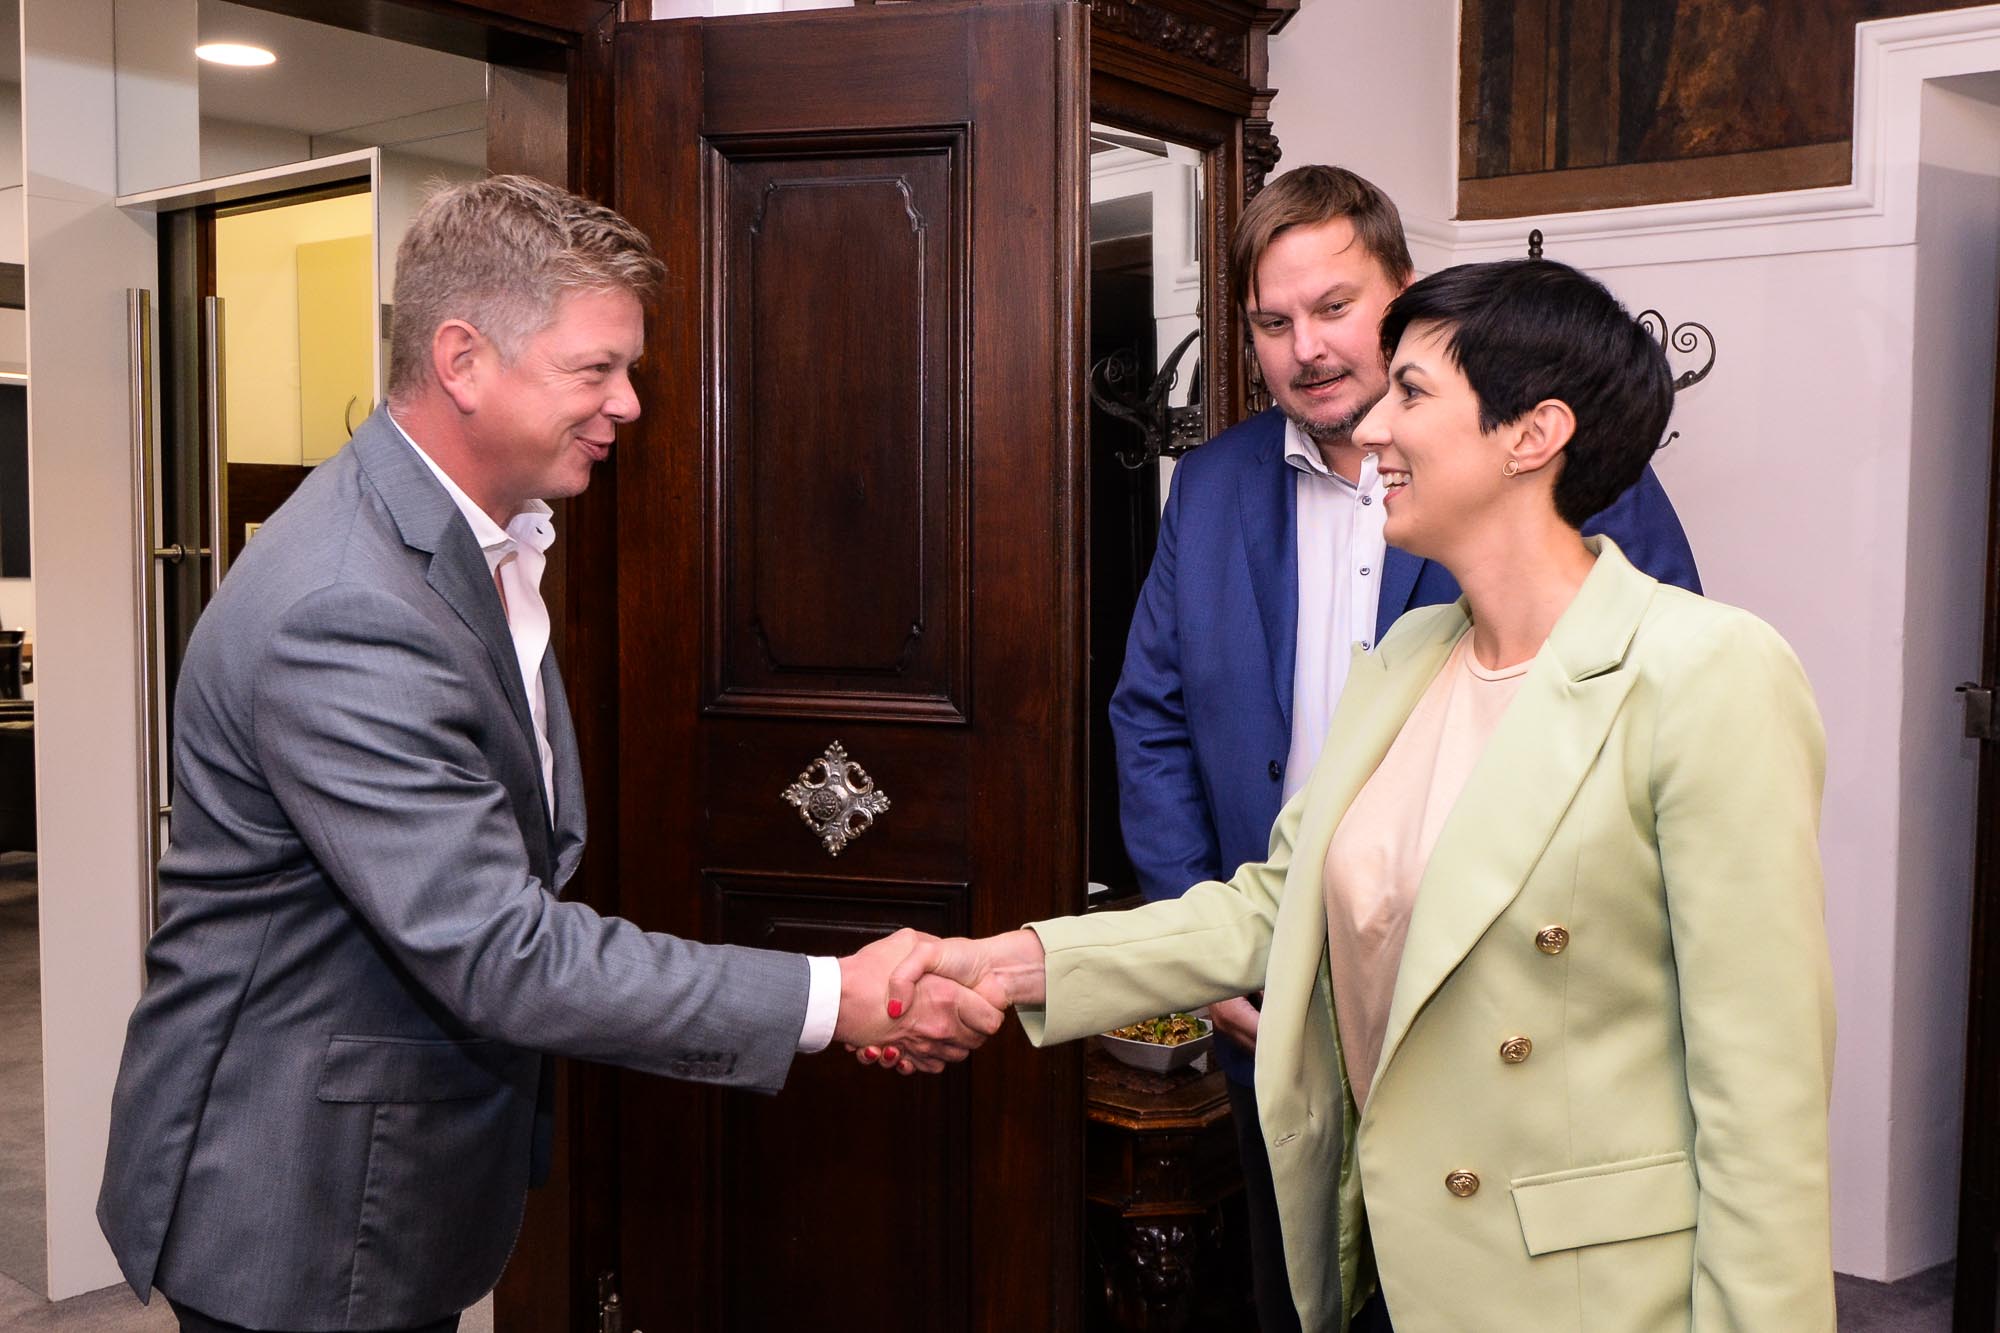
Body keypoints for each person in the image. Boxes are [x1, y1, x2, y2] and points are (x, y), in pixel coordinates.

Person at [97, 175, 999, 1333]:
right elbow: (498, 947)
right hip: (296, 1200)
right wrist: (834, 995)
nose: (628, 402)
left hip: (382, 1172)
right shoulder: (344, 606)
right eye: (595, 369)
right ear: (462, 359)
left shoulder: (482, 543)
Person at [893, 259, 1836, 1331]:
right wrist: (1006, 962)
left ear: (1533, 434)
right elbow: (1269, 907)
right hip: (1385, 1254)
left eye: (1413, 393)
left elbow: (1763, 1096)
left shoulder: (1707, 669)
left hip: (1582, 1295)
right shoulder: (1407, 657)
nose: (1372, 427)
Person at [1108, 164, 1701, 1332]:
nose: (1306, 348)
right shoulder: (1212, 486)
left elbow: (1652, 714)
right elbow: (1152, 716)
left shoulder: (1556, 465)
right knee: (1302, 1297)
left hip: (1495, 1006)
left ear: (1405, 294)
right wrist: (1207, 949)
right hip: (1273, 1004)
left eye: (1334, 307)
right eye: (1271, 322)